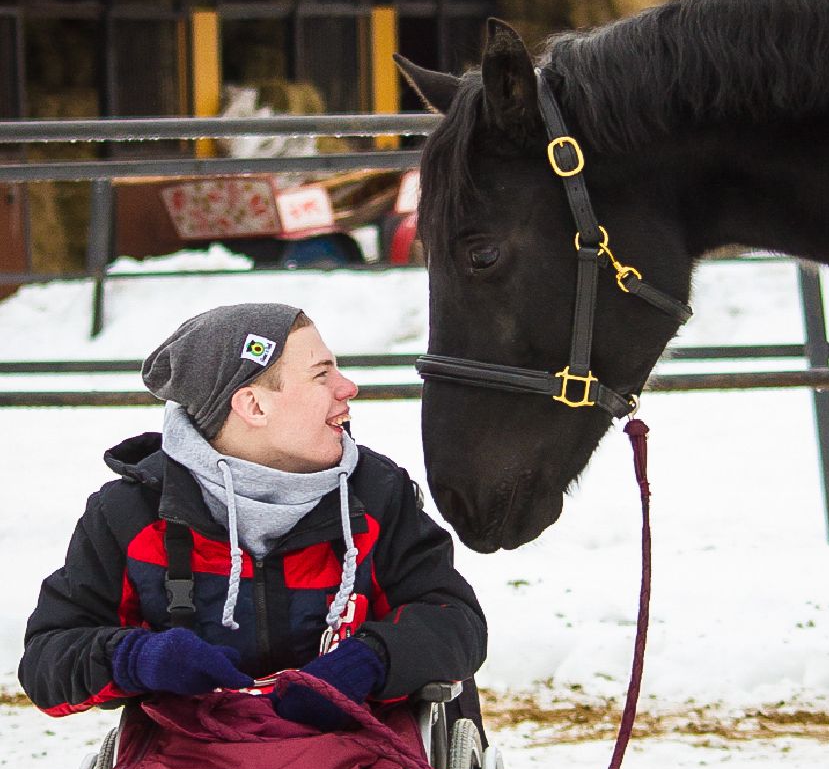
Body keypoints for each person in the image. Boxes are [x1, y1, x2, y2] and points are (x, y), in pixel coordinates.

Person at [20, 302, 486, 726]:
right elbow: (47, 664)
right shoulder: (132, 514)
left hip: (358, 758)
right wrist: (139, 658)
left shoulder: (377, 496)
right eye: (321, 375)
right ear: (253, 405)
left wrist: (371, 661)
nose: (348, 387)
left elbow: (454, 621)